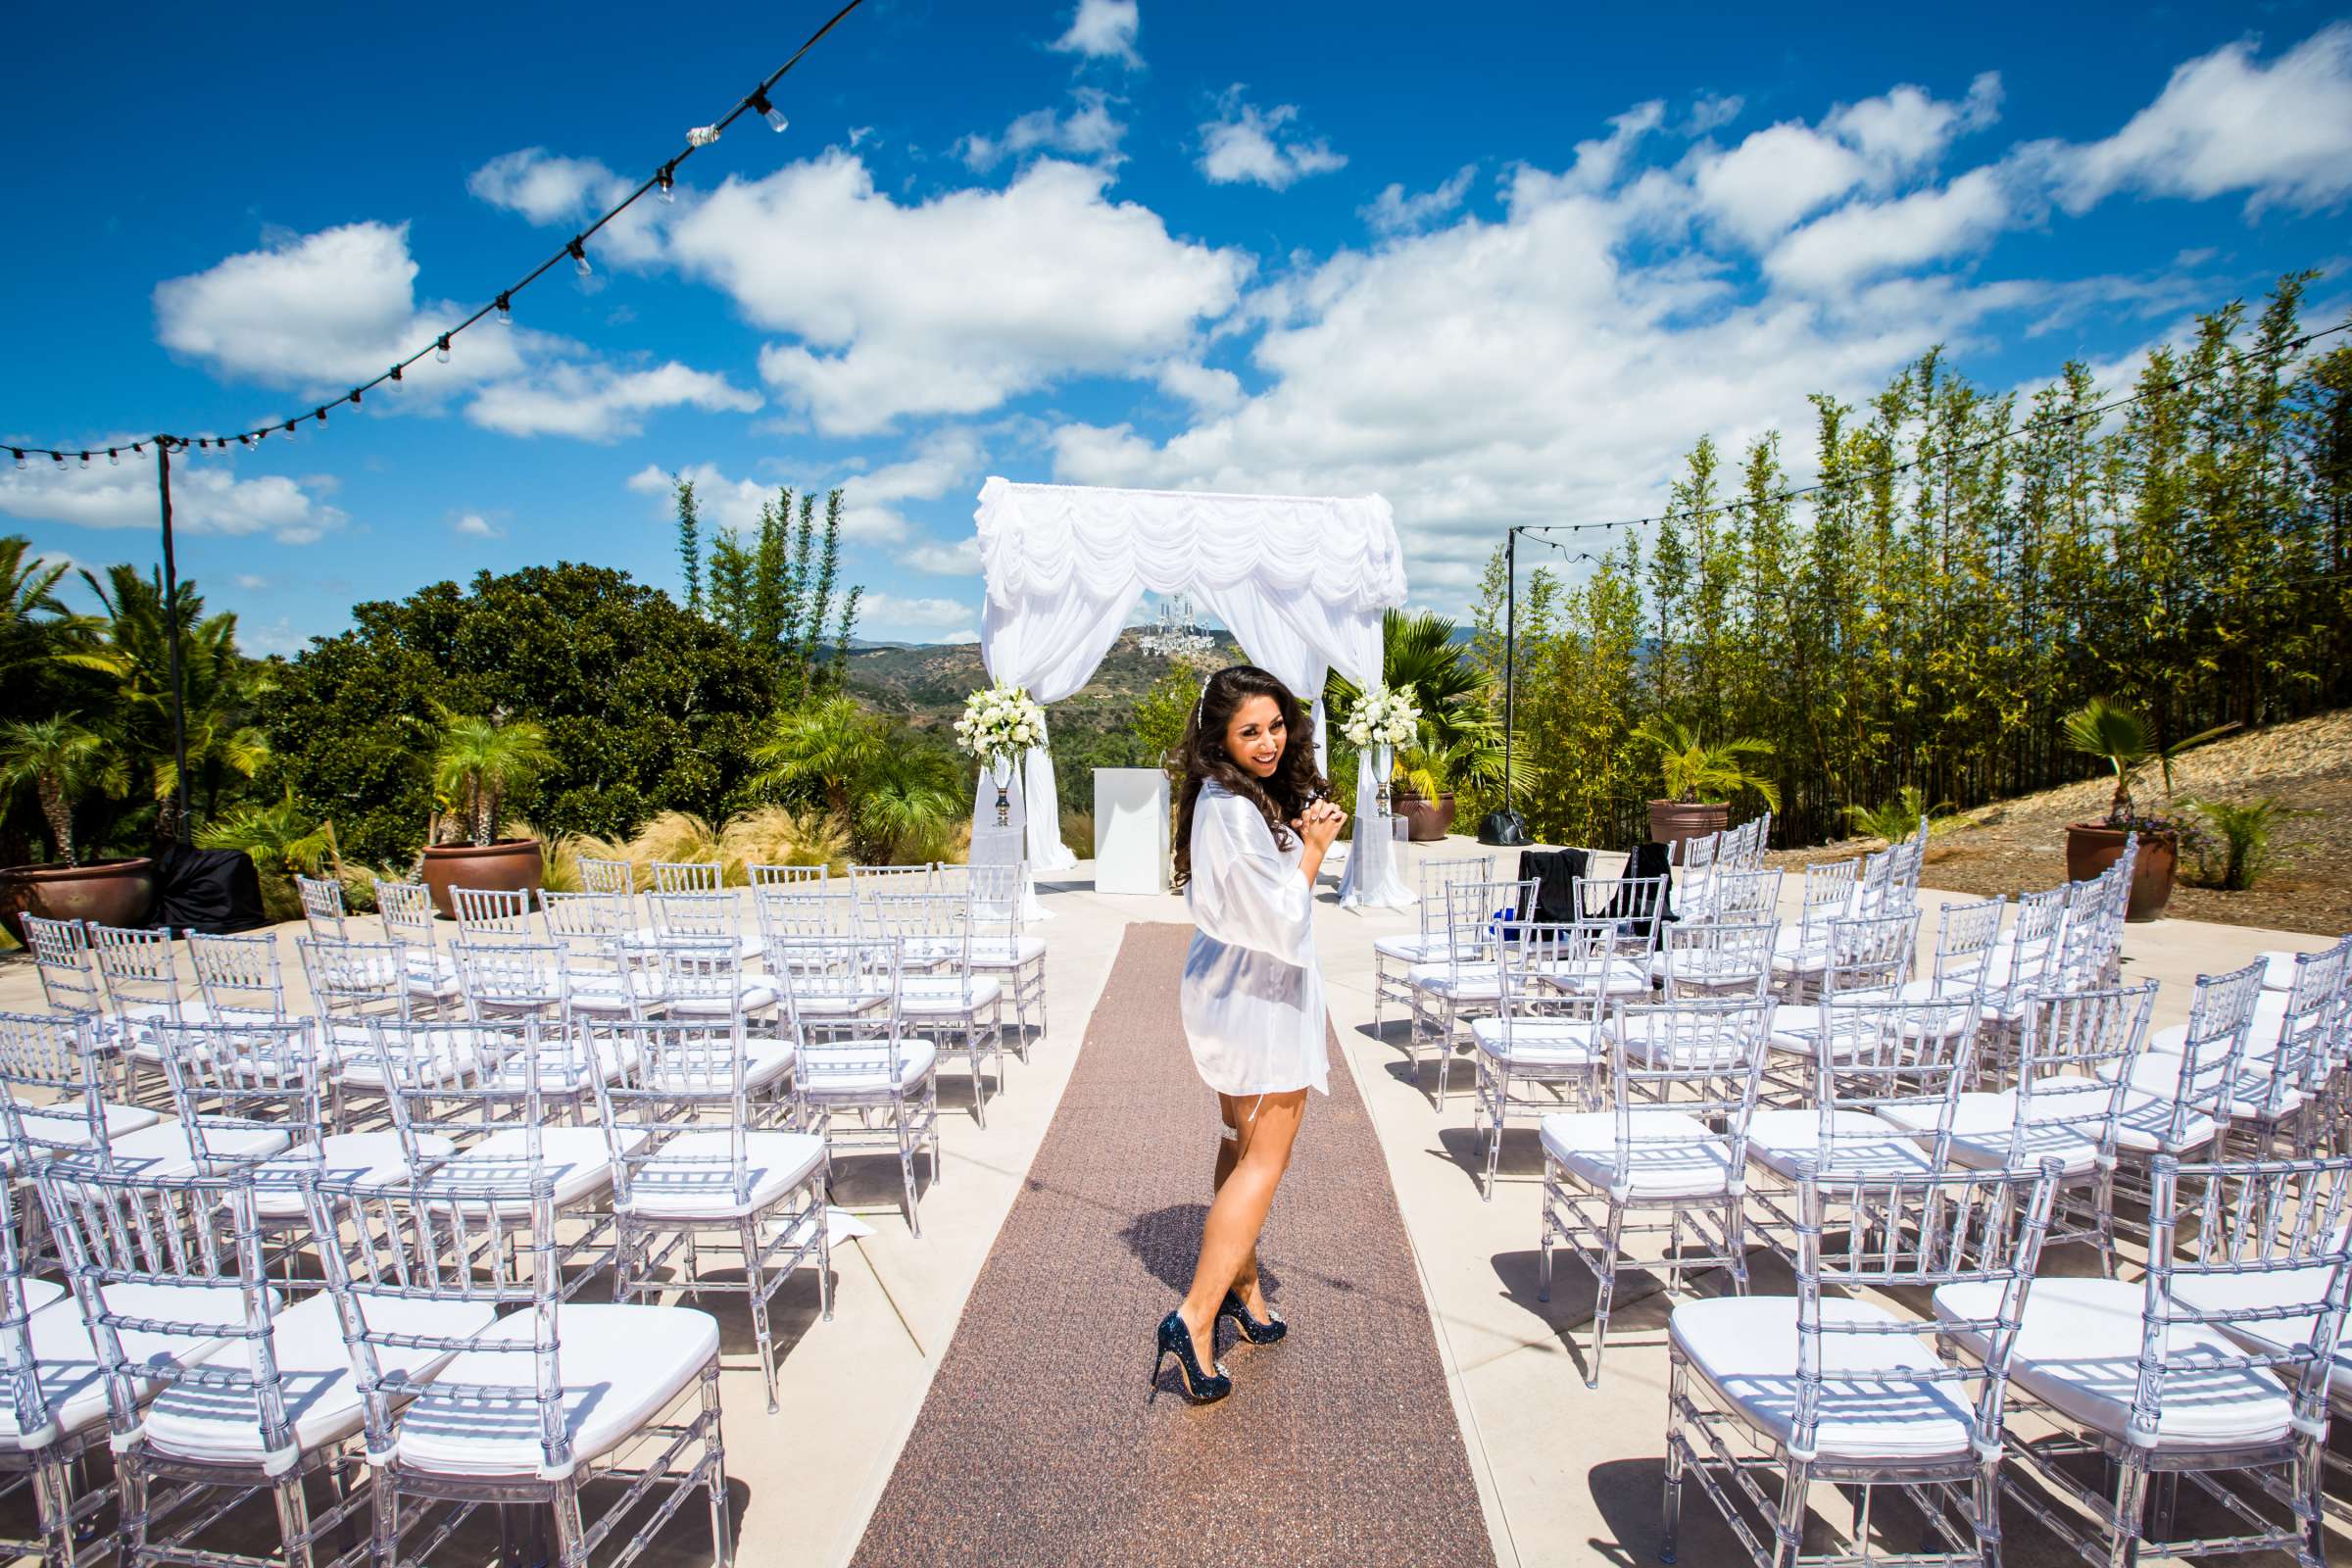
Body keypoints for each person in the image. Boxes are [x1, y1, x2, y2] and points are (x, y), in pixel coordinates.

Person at [1151, 663, 1347, 1404]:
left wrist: (1297, 840)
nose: (1268, 743)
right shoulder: (1230, 809)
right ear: (1219, 739)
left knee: (1239, 1143)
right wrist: (1316, 852)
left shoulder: (1228, 796)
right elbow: (1279, 917)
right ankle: (1194, 1318)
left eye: (1275, 725)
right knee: (1265, 1157)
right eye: (1249, 732)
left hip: (1233, 986)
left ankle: (1244, 1288)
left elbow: (1259, 895)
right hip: (1257, 997)